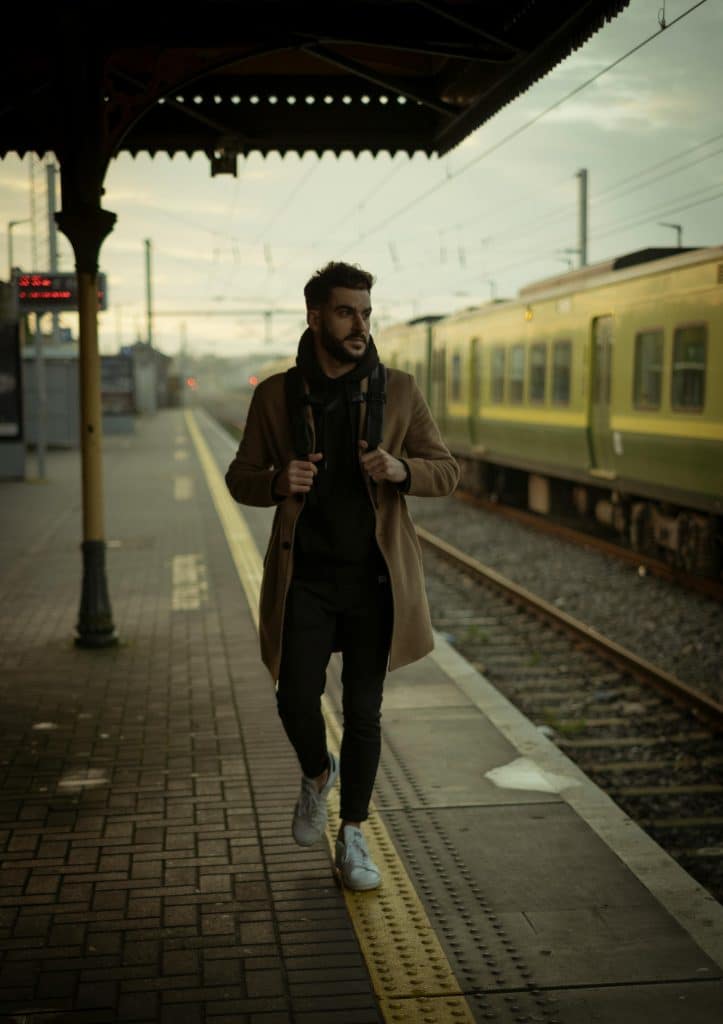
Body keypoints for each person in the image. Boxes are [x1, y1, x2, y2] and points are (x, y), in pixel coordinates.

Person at [225, 261, 459, 890]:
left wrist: (401, 470)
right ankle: (316, 772)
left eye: (365, 313)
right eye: (346, 312)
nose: (360, 325)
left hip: (374, 585)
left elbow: (446, 470)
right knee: (293, 697)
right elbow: (239, 477)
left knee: (364, 713)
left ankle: (352, 836)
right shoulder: (274, 395)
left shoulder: (401, 390)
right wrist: (276, 481)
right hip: (306, 578)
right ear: (315, 316)